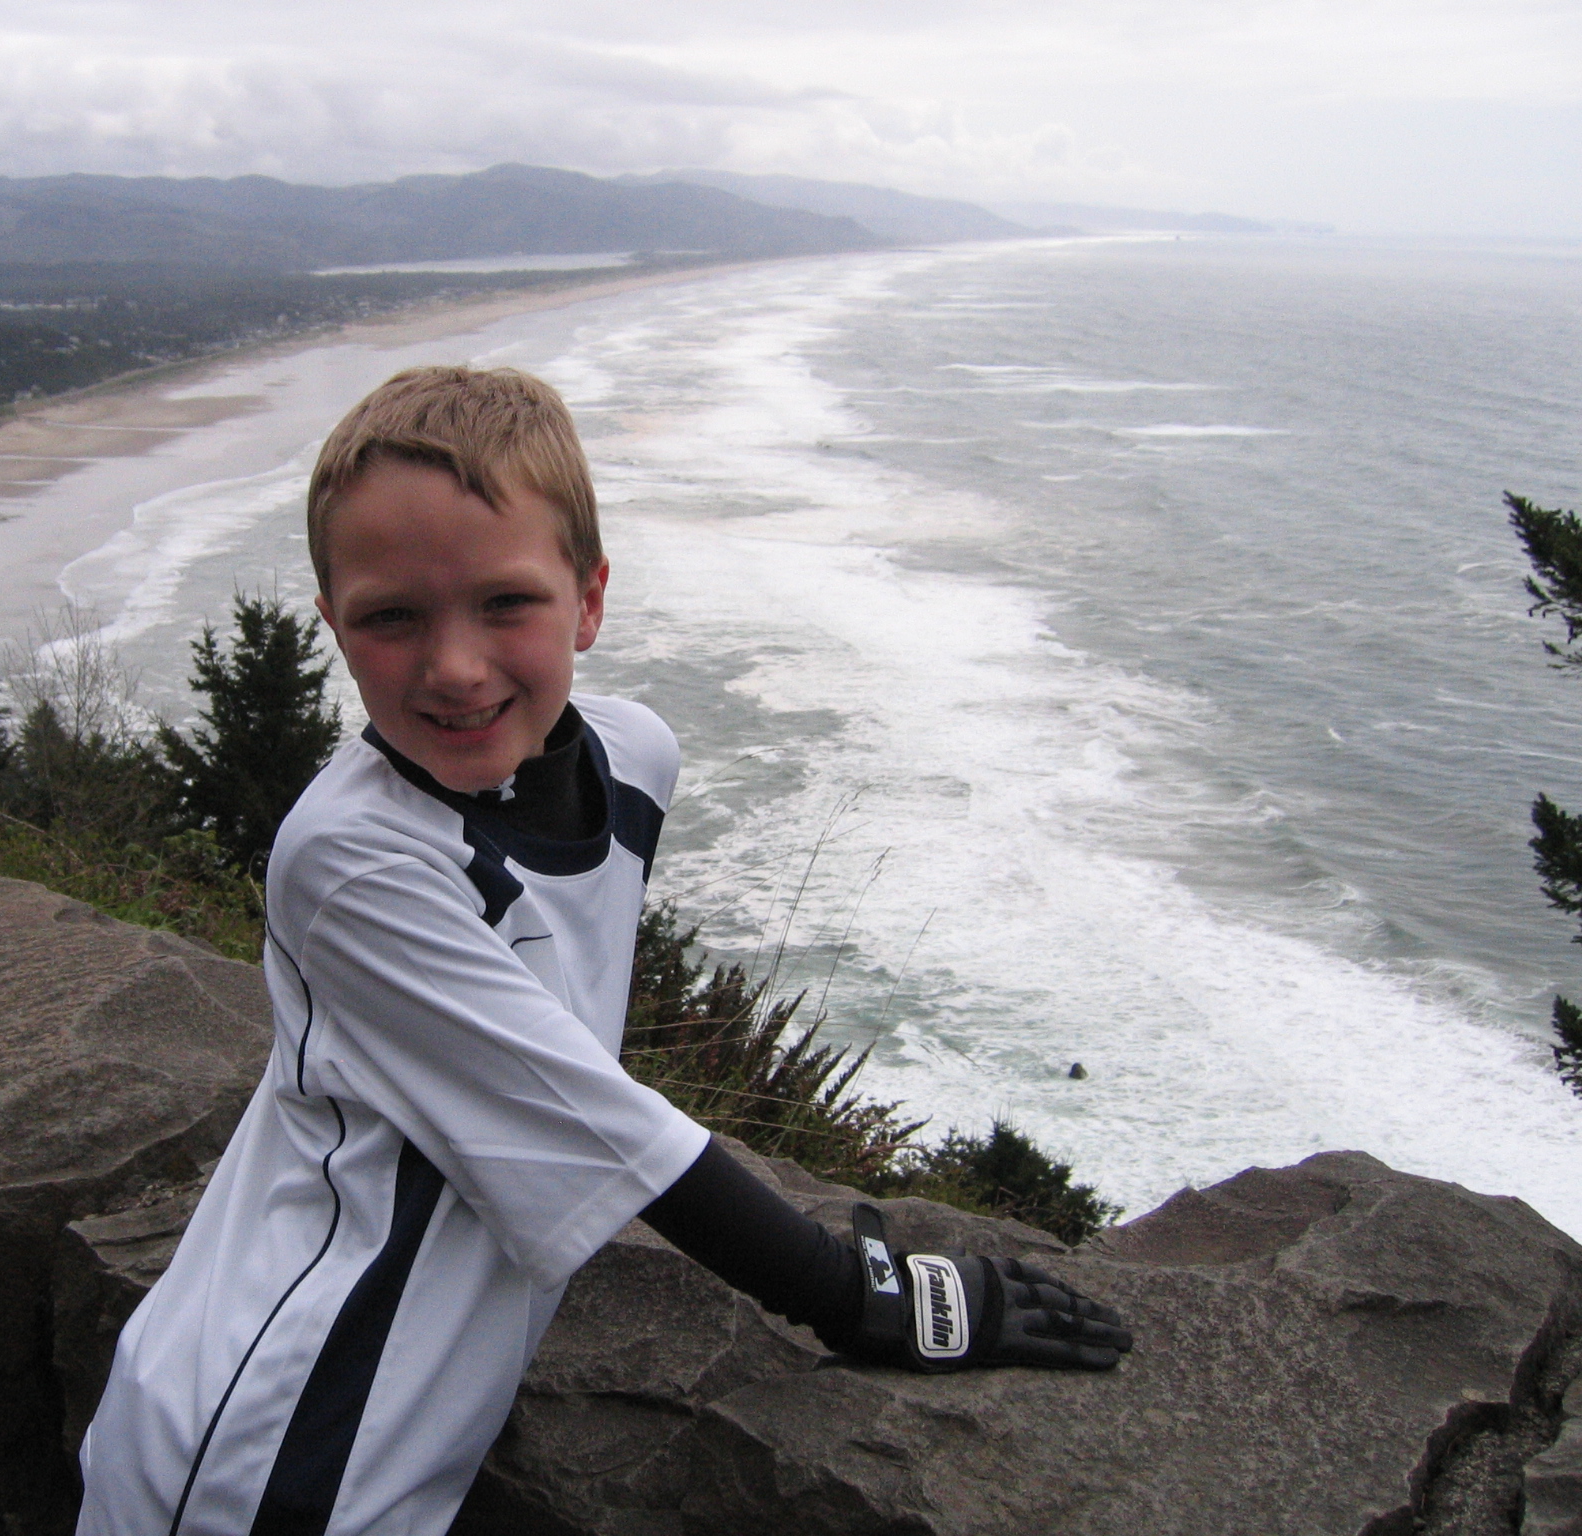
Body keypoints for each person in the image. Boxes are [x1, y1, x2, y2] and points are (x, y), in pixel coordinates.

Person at [74, 366, 1132, 1536]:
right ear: (331, 627)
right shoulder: (351, 862)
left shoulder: (633, 759)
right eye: (391, 618)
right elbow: (598, 1124)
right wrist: (875, 1296)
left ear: (588, 600)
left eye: (505, 605)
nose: (456, 667)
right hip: (279, 1446)